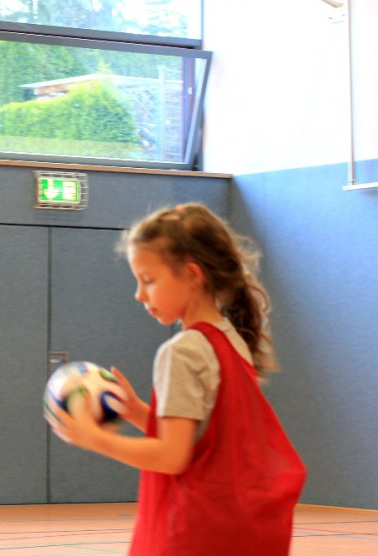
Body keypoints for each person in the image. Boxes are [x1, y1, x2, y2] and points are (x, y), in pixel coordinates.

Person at [51, 203, 306, 556]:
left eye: (148, 280)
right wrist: (139, 412)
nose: (139, 295)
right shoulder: (231, 338)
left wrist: (94, 439)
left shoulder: (181, 352)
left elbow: (172, 456)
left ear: (191, 274)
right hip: (236, 529)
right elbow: (203, 438)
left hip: (194, 533)